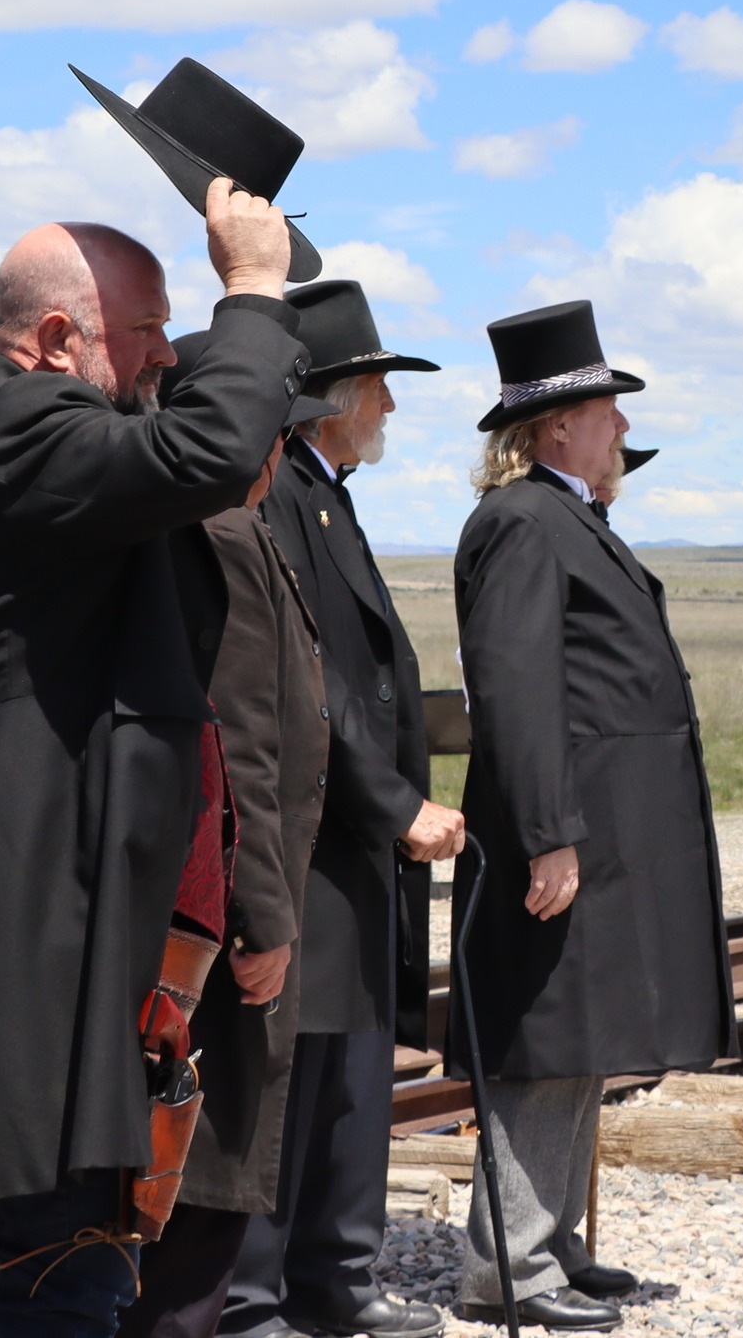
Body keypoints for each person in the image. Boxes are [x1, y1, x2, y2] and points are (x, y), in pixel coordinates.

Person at [0, 178, 303, 1338]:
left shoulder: (40, 437)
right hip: (21, 908)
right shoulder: (11, 429)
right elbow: (202, 450)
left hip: (51, 903)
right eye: (148, 332)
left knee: (80, 1244)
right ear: (55, 339)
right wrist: (253, 287)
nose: (167, 357)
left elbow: (196, 457)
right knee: (60, 1255)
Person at [451, 301, 736, 1330]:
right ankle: (508, 1268)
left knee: (580, 1040)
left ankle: (552, 1240)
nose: (622, 428)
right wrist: (545, 831)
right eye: (610, 409)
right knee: (544, 1040)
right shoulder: (524, 521)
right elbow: (517, 689)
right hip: (568, 832)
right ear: (559, 422)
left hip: (603, 832)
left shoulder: (561, 515)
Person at [237, 279, 459, 1338]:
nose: (390, 409)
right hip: (313, 835)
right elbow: (307, 682)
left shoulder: (327, 490)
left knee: (350, 1066)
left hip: (350, 839)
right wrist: (397, 801)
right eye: (377, 386)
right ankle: (255, 1292)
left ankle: (336, 1277)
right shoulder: (280, 493)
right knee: (294, 1071)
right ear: (328, 396)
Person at [117, 339, 339, 1338]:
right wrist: (265, 919)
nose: (285, 455)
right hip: (219, 931)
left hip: (217, 917)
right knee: (195, 1195)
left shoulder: (234, 521)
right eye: (278, 433)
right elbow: (240, 741)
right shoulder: (217, 530)